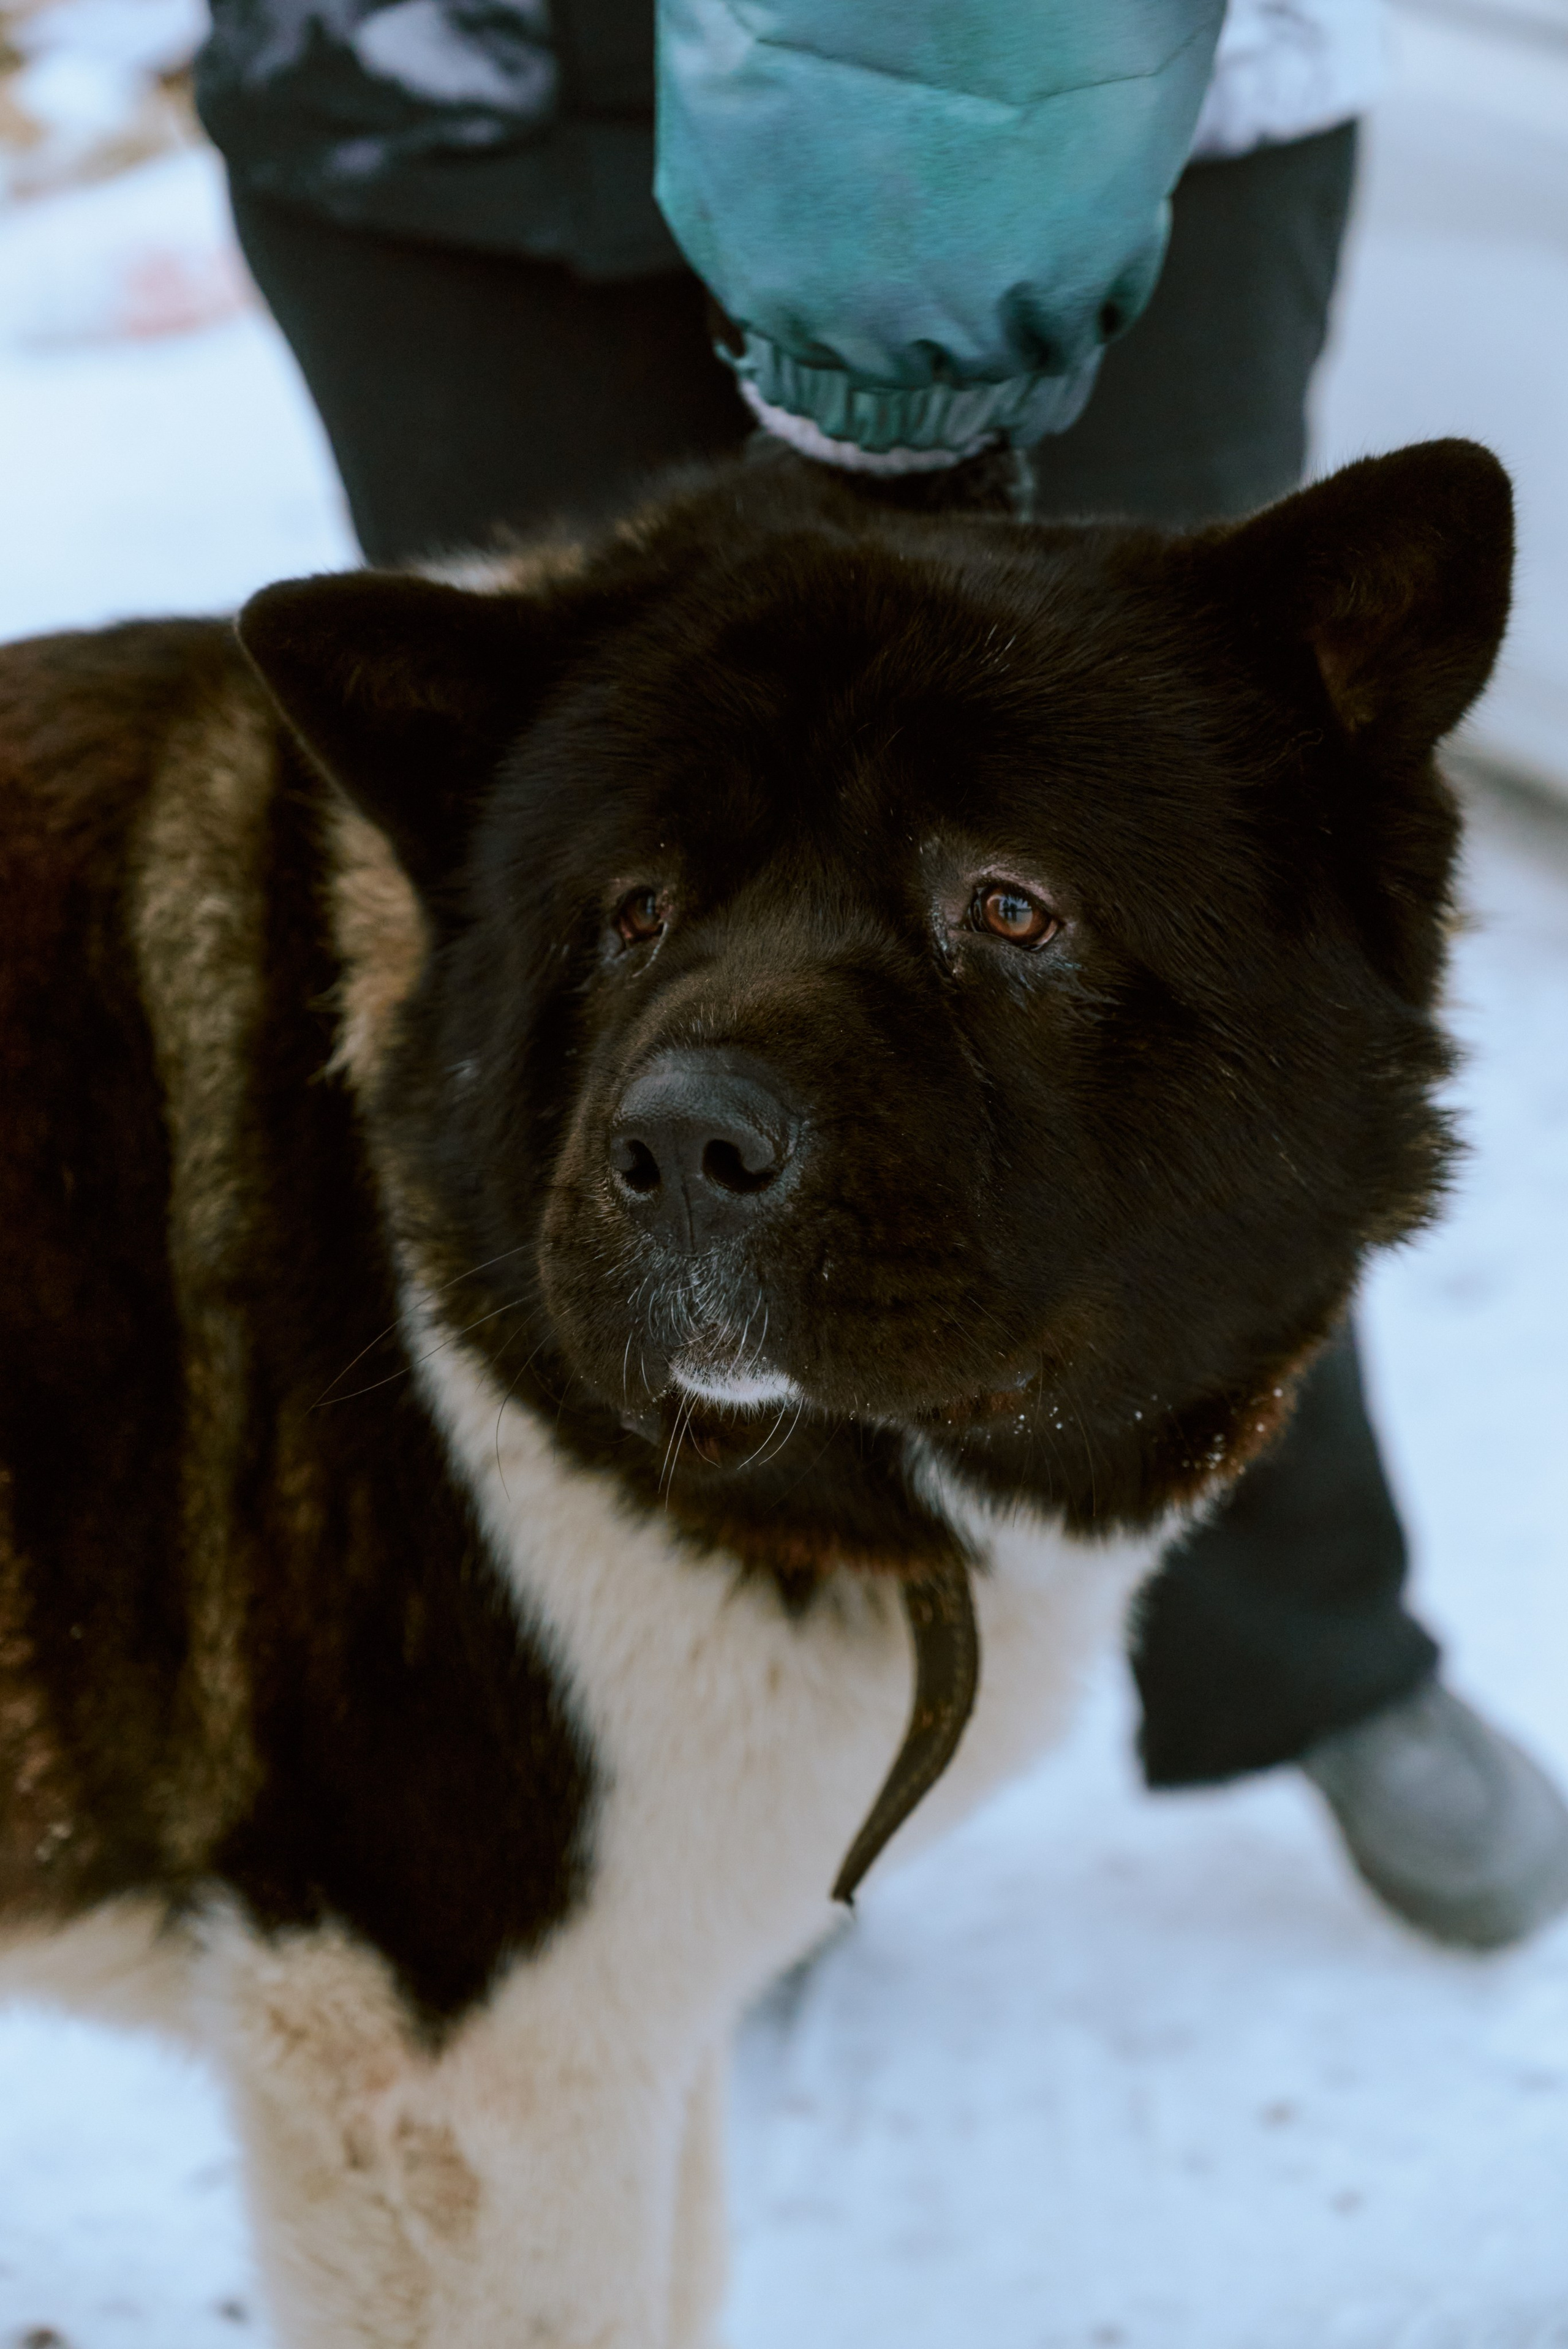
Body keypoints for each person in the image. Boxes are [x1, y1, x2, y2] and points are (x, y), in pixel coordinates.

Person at [197, 0, 1568, 1948]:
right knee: (629, 933)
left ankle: (1311, 1637)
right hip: (466, 108)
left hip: (1101, 93)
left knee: (1164, 947)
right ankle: (717, 1775)